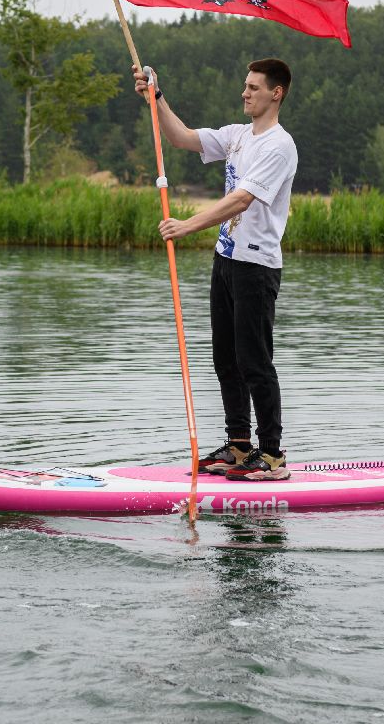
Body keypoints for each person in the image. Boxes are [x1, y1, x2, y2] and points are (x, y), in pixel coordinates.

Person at [133, 59, 299, 482]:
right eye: (245, 86)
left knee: (255, 361)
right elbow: (183, 138)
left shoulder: (279, 146)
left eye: (254, 88)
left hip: (256, 266)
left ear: (276, 93)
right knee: (225, 359)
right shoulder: (238, 136)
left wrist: (187, 225)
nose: (245, 93)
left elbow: (241, 200)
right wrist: (158, 97)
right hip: (226, 261)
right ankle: (240, 446)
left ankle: (274, 456)